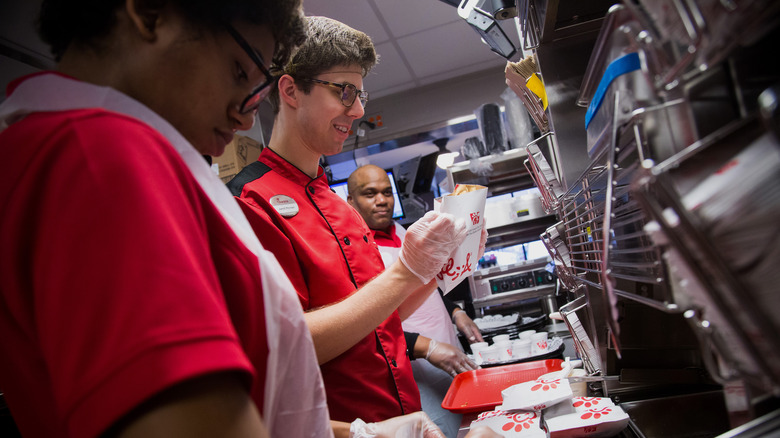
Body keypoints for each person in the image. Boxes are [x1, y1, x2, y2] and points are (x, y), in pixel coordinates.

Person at [0, 0, 337, 437]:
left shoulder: (65, 145)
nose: (245, 115)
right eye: (240, 73)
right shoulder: (99, 154)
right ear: (150, 12)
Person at [226, 16, 488, 436]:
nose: (360, 109)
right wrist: (407, 270)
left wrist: (439, 262)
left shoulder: (339, 205)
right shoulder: (250, 201)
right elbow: (288, 345)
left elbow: (381, 317)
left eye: (360, 93)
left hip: (403, 421)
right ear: (291, 90)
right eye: (344, 92)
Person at [347, 164, 485, 438]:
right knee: (437, 428)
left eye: (387, 192)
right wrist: (426, 347)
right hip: (413, 367)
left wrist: (455, 311)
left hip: (449, 350)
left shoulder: (402, 232)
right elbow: (368, 323)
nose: (382, 200)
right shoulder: (353, 251)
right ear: (351, 201)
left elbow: (424, 285)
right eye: (370, 193)